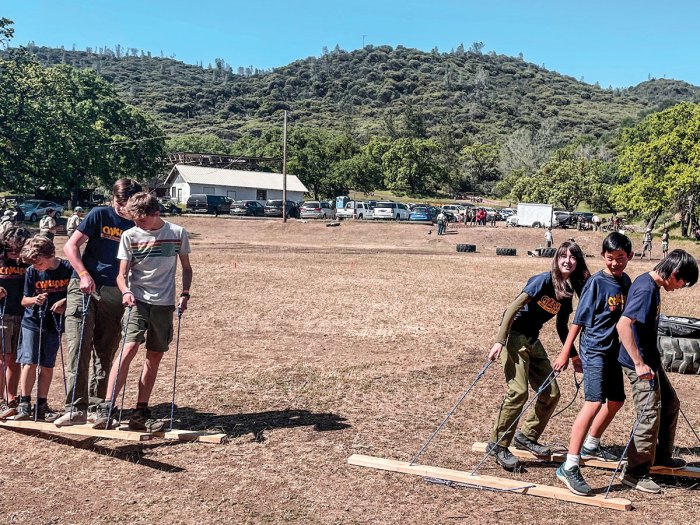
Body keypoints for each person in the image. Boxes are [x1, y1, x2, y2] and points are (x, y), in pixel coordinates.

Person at [486, 241, 590, 470]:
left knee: (551, 393)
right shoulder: (542, 280)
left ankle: (527, 436)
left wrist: (572, 356)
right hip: (515, 336)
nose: (567, 260)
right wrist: (499, 341)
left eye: (572, 257)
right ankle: (498, 444)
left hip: (533, 339)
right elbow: (512, 308)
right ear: (556, 257)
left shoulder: (567, 291)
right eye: (563, 255)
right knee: (518, 392)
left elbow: (563, 327)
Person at [93, 192, 192, 431]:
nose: (137, 224)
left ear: (156, 213)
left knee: (154, 356)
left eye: (142, 221)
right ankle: (107, 408)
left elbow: (187, 268)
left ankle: (140, 411)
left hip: (164, 303)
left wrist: (185, 293)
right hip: (137, 301)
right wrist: (126, 291)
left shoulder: (177, 233)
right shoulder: (130, 235)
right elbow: (121, 274)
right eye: (134, 220)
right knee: (128, 348)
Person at [54, 179, 143, 427]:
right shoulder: (98, 215)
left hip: (117, 291)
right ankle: (75, 407)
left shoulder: (139, 223)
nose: (123, 209)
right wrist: (83, 274)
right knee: (78, 346)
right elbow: (70, 246)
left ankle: (98, 407)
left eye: (128, 204)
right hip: (84, 287)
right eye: (119, 203)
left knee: (106, 350)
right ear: (112, 198)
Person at [553, 233, 633, 496]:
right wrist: (567, 353)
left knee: (617, 400)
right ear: (603, 257)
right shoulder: (596, 283)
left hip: (613, 352)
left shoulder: (626, 281)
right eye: (610, 258)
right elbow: (577, 322)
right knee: (593, 403)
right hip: (595, 351)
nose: (615, 263)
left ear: (629, 257)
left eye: (620, 258)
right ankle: (570, 465)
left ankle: (591, 444)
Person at [616, 249, 698, 494]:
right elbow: (623, 326)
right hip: (638, 363)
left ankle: (661, 457)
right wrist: (639, 364)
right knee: (648, 413)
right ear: (674, 274)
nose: (682, 287)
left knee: (670, 403)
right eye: (684, 282)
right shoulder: (646, 289)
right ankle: (635, 472)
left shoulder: (653, 285)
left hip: (650, 361)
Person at [14, 236, 72, 420]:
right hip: (32, 322)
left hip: (53, 324)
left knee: (47, 365)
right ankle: (24, 403)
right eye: (34, 264)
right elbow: (24, 300)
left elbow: (76, 294)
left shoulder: (68, 269)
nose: (37, 266)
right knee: (29, 362)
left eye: (39, 262)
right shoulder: (31, 272)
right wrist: (35, 300)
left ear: (51, 255)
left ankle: (41, 404)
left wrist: (65, 301)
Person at [0, 227, 31, 418]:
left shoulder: (28, 261)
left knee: (15, 359)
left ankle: (12, 399)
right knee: (2, 358)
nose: (15, 253)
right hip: (2, 314)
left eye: (19, 249)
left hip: (23, 314)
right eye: (11, 248)